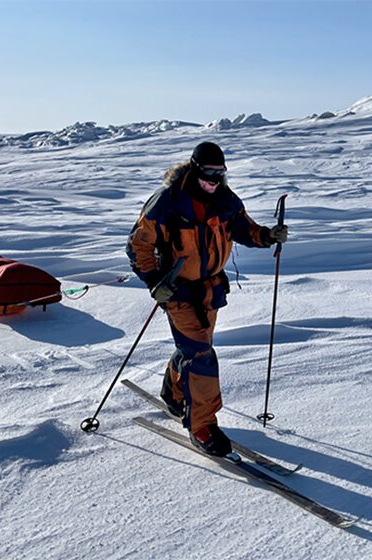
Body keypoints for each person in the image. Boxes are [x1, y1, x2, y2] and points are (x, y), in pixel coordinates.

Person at [127, 142, 288, 456]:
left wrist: (267, 236)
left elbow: (244, 229)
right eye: (209, 173)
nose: (214, 179)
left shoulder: (225, 200)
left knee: (193, 349)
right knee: (200, 354)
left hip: (210, 289)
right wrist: (153, 281)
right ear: (195, 168)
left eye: (220, 173)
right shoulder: (168, 202)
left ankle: (174, 394)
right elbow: (138, 245)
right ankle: (202, 426)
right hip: (176, 289)